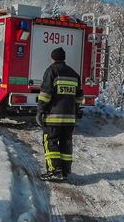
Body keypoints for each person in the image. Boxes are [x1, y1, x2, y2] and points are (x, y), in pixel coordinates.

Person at [36, 47, 83, 182]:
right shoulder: (74, 74)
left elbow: (45, 95)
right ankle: (65, 170)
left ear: (53, 58)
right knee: (66, 142)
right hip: (69, 118)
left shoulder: (51, 71)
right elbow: (79, 96)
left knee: (50, 141)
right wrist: (75, 109)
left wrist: (40, 111)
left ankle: (54, 170)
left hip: (53, 117)